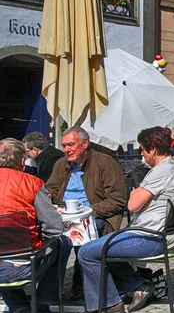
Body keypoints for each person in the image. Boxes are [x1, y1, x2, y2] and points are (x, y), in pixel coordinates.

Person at [78, 127, 174, 313]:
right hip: (156, 233)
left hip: (147, 237)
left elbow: (132, 204)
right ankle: (136, 285)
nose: (142, 155)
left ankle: (111, 305)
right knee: (103, 243)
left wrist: (137, 192)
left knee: (86, 252)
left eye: (143, 150)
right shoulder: (172, 167)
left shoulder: (160, 172)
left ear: (153, 149)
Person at [46, 126, 127, 299]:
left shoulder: (104, 163)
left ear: (85, 143)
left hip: (98, 216)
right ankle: (49, 293)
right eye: (64, 146)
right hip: (63, 216)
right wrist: (48, 197)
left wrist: (88, 211)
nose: (67, 150)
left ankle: (81, 285)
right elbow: (50, 188)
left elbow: (118, 200)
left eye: (70, 145)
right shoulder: (62, 164)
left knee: (81, 235)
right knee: (49, 240)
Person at [0, 138, 72, 313]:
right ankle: (43, 305)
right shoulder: (31, 183)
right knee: (62, 243)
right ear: (22, 161)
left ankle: (22, 309)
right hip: (24, 263)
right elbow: (54, 228)